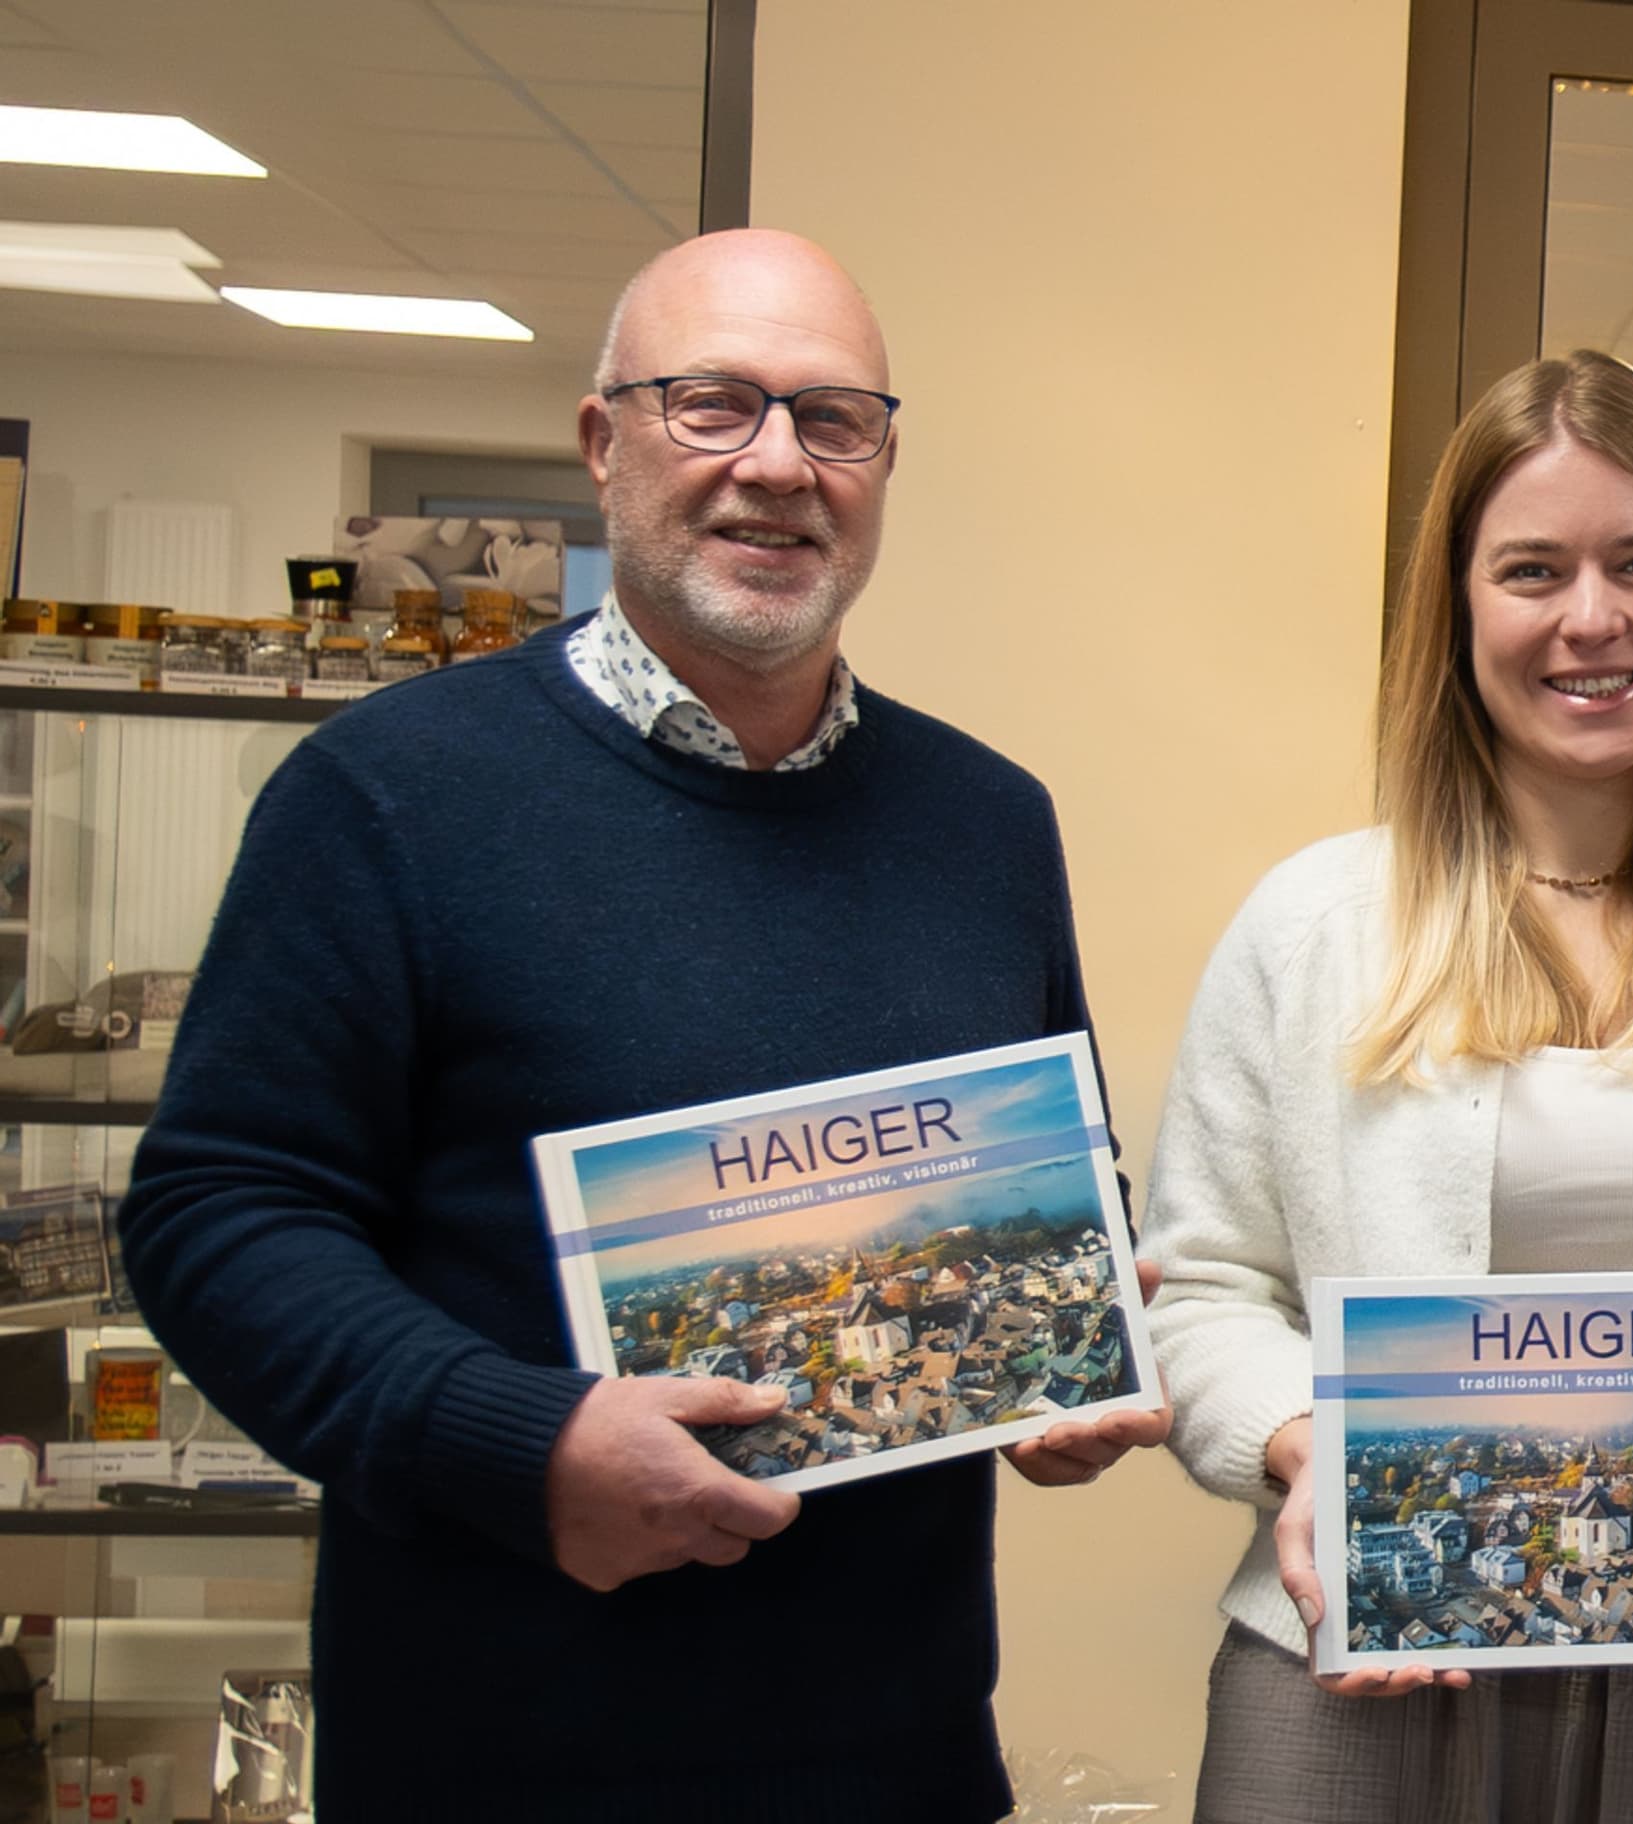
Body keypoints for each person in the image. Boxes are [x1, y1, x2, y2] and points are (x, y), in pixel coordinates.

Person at [114, 229, 1165, 1820]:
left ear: (883, 464)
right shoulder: (389, 795)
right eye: (714, 404)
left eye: (834, 419)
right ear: (604, 442)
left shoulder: (988, 823)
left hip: (896, 1760)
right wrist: (522, 1445)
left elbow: (1048, 1167)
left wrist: (1072, 1349)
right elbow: (219, 1215)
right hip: (499, 1764)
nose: (779, 465)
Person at [1140, 349, 1633, 1823]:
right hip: (1368, 1651)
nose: (1594, 618)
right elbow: (1204, 1287)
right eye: (1533, 570)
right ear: (1459, 608)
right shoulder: (1315, 925)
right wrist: (1307, 1444)